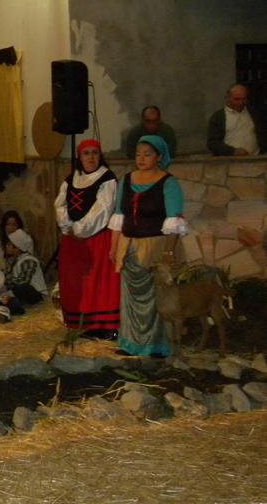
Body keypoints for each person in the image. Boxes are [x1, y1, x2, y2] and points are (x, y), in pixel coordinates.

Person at [108, 135, 187, 357]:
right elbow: (119, 215)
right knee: (130, 299)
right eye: (138, 154)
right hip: (129, 246)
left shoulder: (169, 183)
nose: (141, 159)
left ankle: (156, 346)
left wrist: (168, 252)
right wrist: (114, 248)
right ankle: (130, 343)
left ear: (159, 157)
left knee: (155, 298)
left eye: (147, 154)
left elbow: (174, 220)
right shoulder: (126, 180)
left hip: (156, 247)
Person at [54, 139, 120, 338]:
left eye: (95, 153)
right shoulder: (70, 179)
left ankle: (105, 326)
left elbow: (103, 209)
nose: (91, 157)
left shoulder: (107, 179)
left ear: (100, 156)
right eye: (86, 153)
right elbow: (60, 205)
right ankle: (82, 322)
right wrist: (67, 226)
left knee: (98, 282)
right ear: (79, 157)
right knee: (76, 281)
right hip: (72, 240)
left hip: (97, 239)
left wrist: (79, 229)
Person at [207, 83, 266, 156]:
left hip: (256, 158)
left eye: (244, 99)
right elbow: (212, 143)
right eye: (236, 99)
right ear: (227, 98)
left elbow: (263, 134)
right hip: (231, 160)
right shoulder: (218, 117)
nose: (241, 103)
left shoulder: (254, 113)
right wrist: (233, 151)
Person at [4, 228, 47, 308]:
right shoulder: (13, 260)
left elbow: (23, 281)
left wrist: (6, 281)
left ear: (17, 248)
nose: (6, 246)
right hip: (20, 290)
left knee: (22, 287)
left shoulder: (29, 260)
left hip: (35, 293)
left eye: (9, 245)